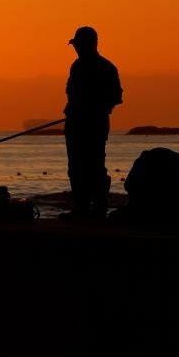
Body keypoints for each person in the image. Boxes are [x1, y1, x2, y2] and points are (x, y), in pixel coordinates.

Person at [62, 26, 123, 220]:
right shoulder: (77, 66)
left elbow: (116, 96)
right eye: (76, 45)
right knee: (76, 167)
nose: (76, 48)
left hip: (93, 125)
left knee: (95, 166)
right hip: (75, 124)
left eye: (79, 45)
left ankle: (97, 209)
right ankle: (81, 208)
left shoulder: (106, 67)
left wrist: (96, 106)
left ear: (91, 44)